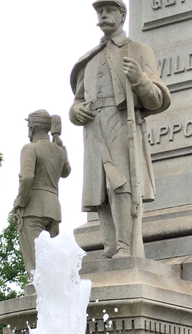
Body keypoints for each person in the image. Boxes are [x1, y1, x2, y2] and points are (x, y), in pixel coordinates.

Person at [69, 0, 170, 258]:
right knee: (99, 190)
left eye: (109, 10)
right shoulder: (89, 60)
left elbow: (157, 99)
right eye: (99, 11)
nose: (103, 15)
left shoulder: (138, 50)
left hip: (122, 123)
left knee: (121, 185)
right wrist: (75, 111)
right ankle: (109, 246)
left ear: (122, 14)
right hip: (94, 129)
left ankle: (126, 246)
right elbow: (77, 100)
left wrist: (139, 79)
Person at [12, 110, 71, 282]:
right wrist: (60, 146)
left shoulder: (29, 148)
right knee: (52, 262)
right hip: (54, 210)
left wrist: (19, 202)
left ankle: (36, 297)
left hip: (33, 209)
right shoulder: (59, 151)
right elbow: (66, 172)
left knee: (34, 265)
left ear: (31, 128)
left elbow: (27, 177)